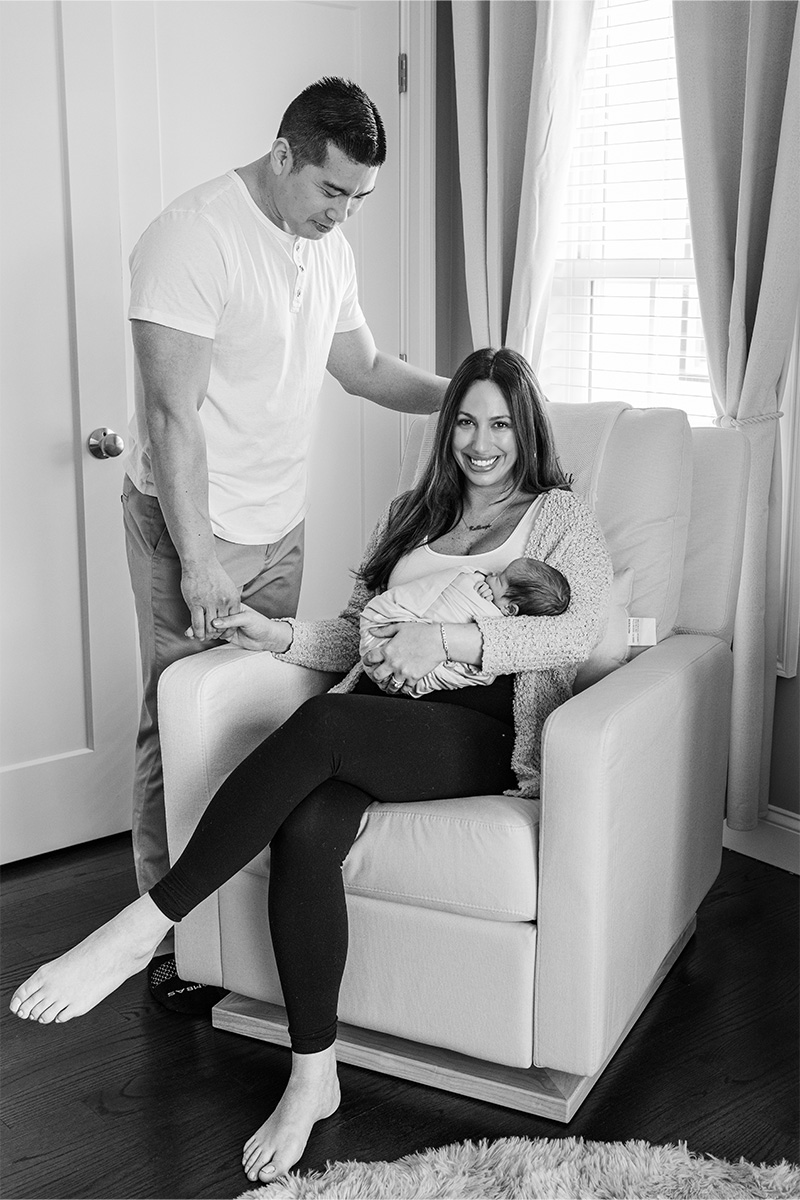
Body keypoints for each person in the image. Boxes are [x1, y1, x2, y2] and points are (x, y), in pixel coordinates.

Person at [11, 348, 612, 1183]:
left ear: (527, 429)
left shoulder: (558, 517)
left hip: (478, 727)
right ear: (448, 430)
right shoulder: (415, 511)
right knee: (308, 824)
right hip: (384, 713)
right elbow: (354, 631)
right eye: (467, 421)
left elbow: (574, 633)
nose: (482, 442)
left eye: (501, 423)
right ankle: (312, 1073)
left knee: (326, 720)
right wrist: (281, 637)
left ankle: (149, 921)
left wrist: (456, 637)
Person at [122, 76, 448, 1011]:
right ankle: (170, 934)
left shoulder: (325, 250)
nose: (342, 214)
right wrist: (199, 562)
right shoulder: (193, 237)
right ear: (284, 155)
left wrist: (471, 388)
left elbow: (367, 370)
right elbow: (172, 417)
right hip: (197, 526)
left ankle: (243, 900)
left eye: (358, 200)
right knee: (179, 711)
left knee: (260, 706)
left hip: (280, 524)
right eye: (331, 192)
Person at [358, 557, 570, 695]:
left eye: (500, 578)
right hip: (384, 643)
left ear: (511, 610)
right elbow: (352, 615)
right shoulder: (406, 509)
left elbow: (569, 637)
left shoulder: (565, 518)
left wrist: (439, 641)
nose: (492, 573)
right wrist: (481, 587)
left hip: (469, 708)